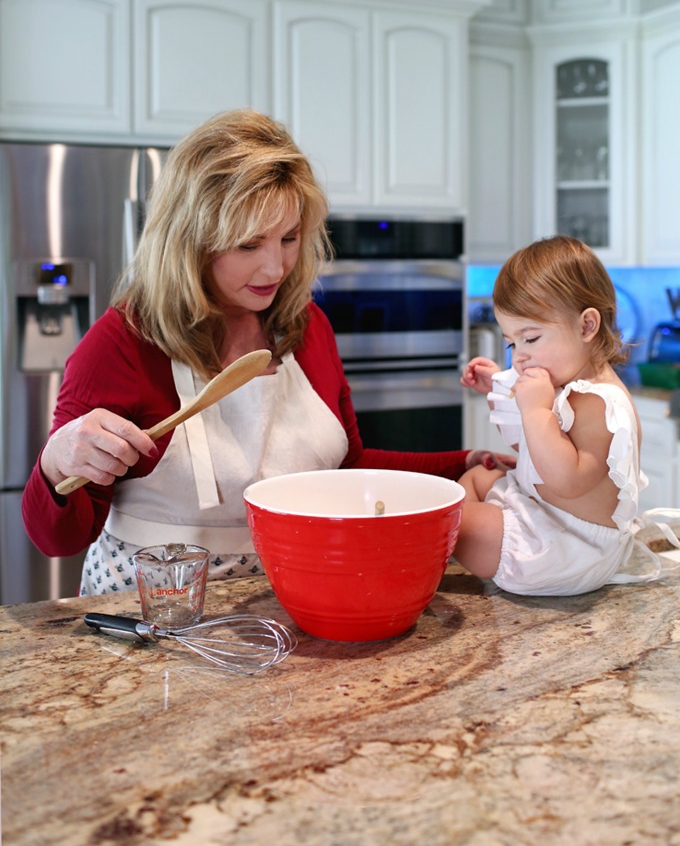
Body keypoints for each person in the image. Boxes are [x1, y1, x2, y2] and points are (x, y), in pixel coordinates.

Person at [22, 109, 513, 595]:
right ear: (191, 241)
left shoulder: (306, 326)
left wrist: (464, 460)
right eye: (248, 245)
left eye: (289, 238)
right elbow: (57, 537)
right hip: (153, 615)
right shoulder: (121, 344)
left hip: (282, 607)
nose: (275, 267)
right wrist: (58, 461)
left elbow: (344, 470)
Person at [456, 234, 680, 597]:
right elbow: (529, 449)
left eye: (531, 338)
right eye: (513, 342)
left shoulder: (602, 403)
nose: (520, 357)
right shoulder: (565, 384)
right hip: (544, 512)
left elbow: (564, 481)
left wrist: (535, 408)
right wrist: (502, 389)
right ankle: (458, 541)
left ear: (587, 326)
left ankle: (447, 545)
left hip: (569, 546)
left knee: (451, 521)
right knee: (477, 477)